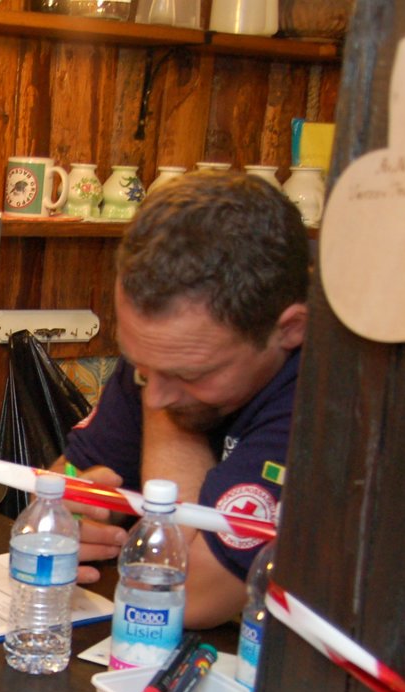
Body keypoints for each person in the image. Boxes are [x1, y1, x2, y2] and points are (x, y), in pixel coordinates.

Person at [60, 172, 309, 628]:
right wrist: (75, 515)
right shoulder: (168, 351)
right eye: (140, 367)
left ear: (291, 329)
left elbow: (186, 598)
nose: (155, 395)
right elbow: (64, 478)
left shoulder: (316, 399)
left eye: (190, 375)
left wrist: (163, 418)